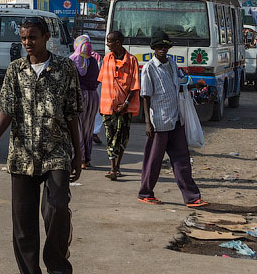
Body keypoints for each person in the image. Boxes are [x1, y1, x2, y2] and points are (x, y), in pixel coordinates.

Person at [0, 17, 82, 274]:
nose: (28, 43)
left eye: (33, 37)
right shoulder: (16, 70)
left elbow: (73, 112)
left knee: (57, 208)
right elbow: (7, 108)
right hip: (22, 154)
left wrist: (79, 153)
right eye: (24, 38)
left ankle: (61, 270)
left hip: (57, 151)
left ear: (46, 37)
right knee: (23, 220)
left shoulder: (65, 68)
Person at [138, 31, 207, 207]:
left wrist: (194, 85)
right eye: (160, 47)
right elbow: (145, 96)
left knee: (182, 158)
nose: (163, 50)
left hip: (175, 119)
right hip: (159, 122)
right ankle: (146, 192)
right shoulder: (149, 68)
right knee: (153, 160)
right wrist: (147, 122)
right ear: (154, 48)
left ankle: (192, 197)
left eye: (166, 47)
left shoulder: (172, 65)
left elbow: (178, 86)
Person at [97, 30, 140, 180]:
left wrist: (126, 103)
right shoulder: (106, 59)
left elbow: (135, 85)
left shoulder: (132, 61)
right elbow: (102, 82)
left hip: (125, 108)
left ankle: (117, 166)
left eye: (109, 42)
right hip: (108, 106)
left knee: (122, 137)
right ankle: (112, 168)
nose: (107, 44)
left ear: (118, 43)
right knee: (110, 137)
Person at [70, 35, 101, 170]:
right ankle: (86, 159)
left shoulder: (72, 60)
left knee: (77, 129)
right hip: (93, 97)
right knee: (88, 129)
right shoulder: (93, 61)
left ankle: (79, 158)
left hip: (79, 97)